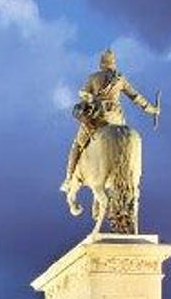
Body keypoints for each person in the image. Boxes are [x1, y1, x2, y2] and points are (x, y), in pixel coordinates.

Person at [61, 48, 159, 193]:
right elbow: (136, 98)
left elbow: (83, 98)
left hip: (99, 119)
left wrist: (90, 101)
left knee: (77, 144)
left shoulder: (93, 78)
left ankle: (69, 179)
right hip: (117, 119)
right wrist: (153, 110)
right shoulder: (121, 79)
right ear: (114, 63)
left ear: (101, 63)